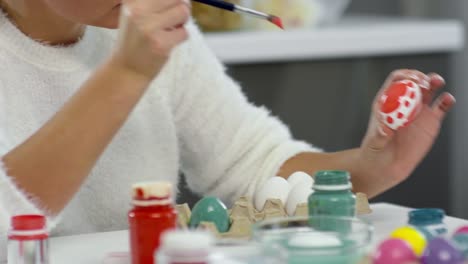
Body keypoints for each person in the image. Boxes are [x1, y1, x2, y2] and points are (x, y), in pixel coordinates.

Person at [0, 0, 455, 259]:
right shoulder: (137, 42)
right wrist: (126, 75)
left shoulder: (146, 26)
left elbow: (252, 163)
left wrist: (371, 166)